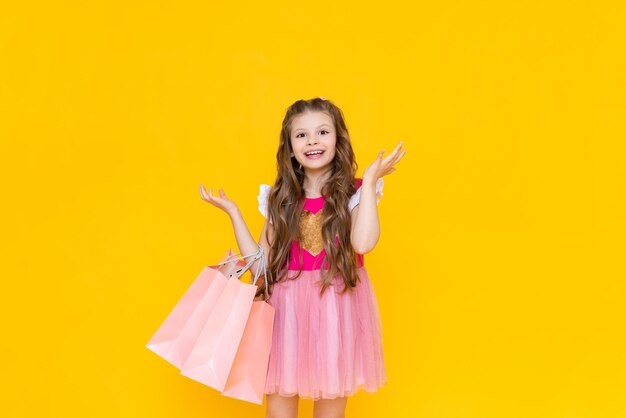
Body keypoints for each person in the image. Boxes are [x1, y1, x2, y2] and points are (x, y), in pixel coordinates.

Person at [199, 97, 406, 418]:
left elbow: (363, 243)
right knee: (280, 408)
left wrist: (368, 184)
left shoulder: (355, 192)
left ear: (338, 139)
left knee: (330, 409)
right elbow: (260, 265)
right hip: (287, 313)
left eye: (323, 132)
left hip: (337, 307)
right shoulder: (279, 199)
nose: (312, 141)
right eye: (301, 135)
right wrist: (234, 213)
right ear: (290, 147)